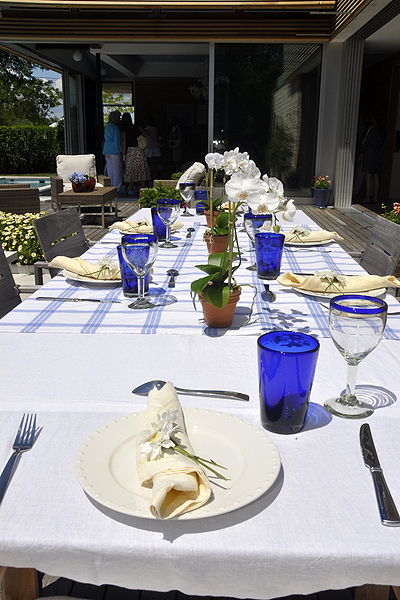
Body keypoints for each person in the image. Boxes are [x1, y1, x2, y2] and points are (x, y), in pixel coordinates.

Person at [121, 112, 151, 195]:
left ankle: (131, 189)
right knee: (141, 169)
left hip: (130, 151)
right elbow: (147, 132)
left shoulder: (124, 131)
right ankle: (143, 188)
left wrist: (123, 155)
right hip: (139, 151)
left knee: (130, 170)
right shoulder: (137, 127)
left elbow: (124, 144)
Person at [359, 114, 383, 203]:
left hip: (370, 153)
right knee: (376, 176)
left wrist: (361, 152)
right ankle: (375, 197)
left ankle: (367, 197)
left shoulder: (371, 129)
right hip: (378, 154)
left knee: (368, 175)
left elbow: (365, 141)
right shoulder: (381, 131)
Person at [102, 110, 124, 193]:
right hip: (114, 150)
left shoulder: (107, 127)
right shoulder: (115, 128)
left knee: (110, 169)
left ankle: (111, 186)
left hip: (107, 149)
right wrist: (120, 151)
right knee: (117, 170)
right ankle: (117, 187)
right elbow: (117, 141)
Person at [144, 115, 162, 182]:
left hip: (148, 147)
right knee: (155, 164)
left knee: (147, 164)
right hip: (156, 147)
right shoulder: (156, 129)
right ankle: (155, 176)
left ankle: (147, 176)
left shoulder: (146, 129)